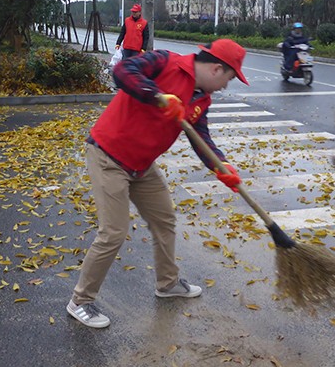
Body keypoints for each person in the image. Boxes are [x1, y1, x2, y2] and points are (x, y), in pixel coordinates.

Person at [67, 39, 249, 328]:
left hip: (141, 165)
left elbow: (201, 139)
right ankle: (80, 301)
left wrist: (221, 165)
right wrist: (157, 96)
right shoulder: (165, 62)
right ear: (217, 69)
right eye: (229, 78)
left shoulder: (202, 100)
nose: (226, 85)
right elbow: (122, 71)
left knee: (164, 219)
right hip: (108, 156)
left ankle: (168, 283)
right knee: (114, 232)